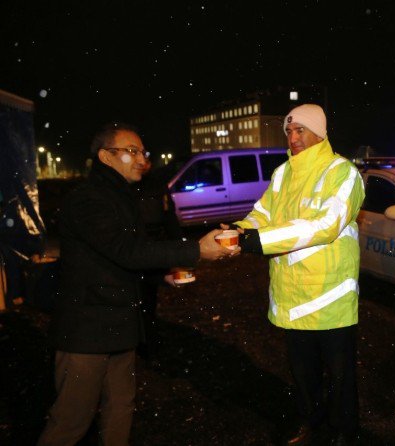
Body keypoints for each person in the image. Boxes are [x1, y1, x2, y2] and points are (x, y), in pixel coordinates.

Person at [37, 122, 238, 446]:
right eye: (131, 151)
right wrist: (196, 250)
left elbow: (122, 259)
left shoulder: (121, 197)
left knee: (120, 411)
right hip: (86, 333)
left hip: (120, 326)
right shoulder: (88, 199)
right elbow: (126, 251)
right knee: (71, 421)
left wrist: (162, 276)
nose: (142, 158)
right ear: (105, 156)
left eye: (142, 152)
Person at [231, 104, 365, 445]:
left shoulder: (342, 172)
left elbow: (326, 225)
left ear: (319, 132)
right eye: (289, 131)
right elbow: (261, 214)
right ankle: (312, 422)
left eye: (300, 130)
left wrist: (256, 241)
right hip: (293, 297)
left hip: (330, 298)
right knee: (303, 375)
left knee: (340, 377)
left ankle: (344, 433)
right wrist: (236, 231)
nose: (293, 137)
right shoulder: (282, 174)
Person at [134, 157, 184, 364]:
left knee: (148, 299)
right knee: (134, 298)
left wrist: (179, 250)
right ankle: (137, 340)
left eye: (146, 156)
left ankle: (146, 343)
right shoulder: (124, 185)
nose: (143, 161)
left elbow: (169, 217)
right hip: (134, 251)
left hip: (153, 252)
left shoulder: (157, 185)